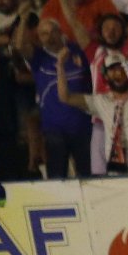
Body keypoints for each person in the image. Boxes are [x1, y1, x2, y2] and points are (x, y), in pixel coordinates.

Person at [55, 49, 128, 175]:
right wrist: (60, 66)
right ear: (105, 76)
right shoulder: (101, 102)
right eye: (112, 70)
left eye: (121, 69)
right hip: (120, 173)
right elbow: (65, 97)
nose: (118, 73)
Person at [19, 17, 93, 179]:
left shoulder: (78, 50)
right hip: (54, 130)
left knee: (89, 178)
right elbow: (20, 46)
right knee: (57, 179)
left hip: (83, 126)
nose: (50, 36)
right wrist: (23, 19)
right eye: (44, 34)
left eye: (53, 32)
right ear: (39, 38)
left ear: (61, 32)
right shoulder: (38, 57)